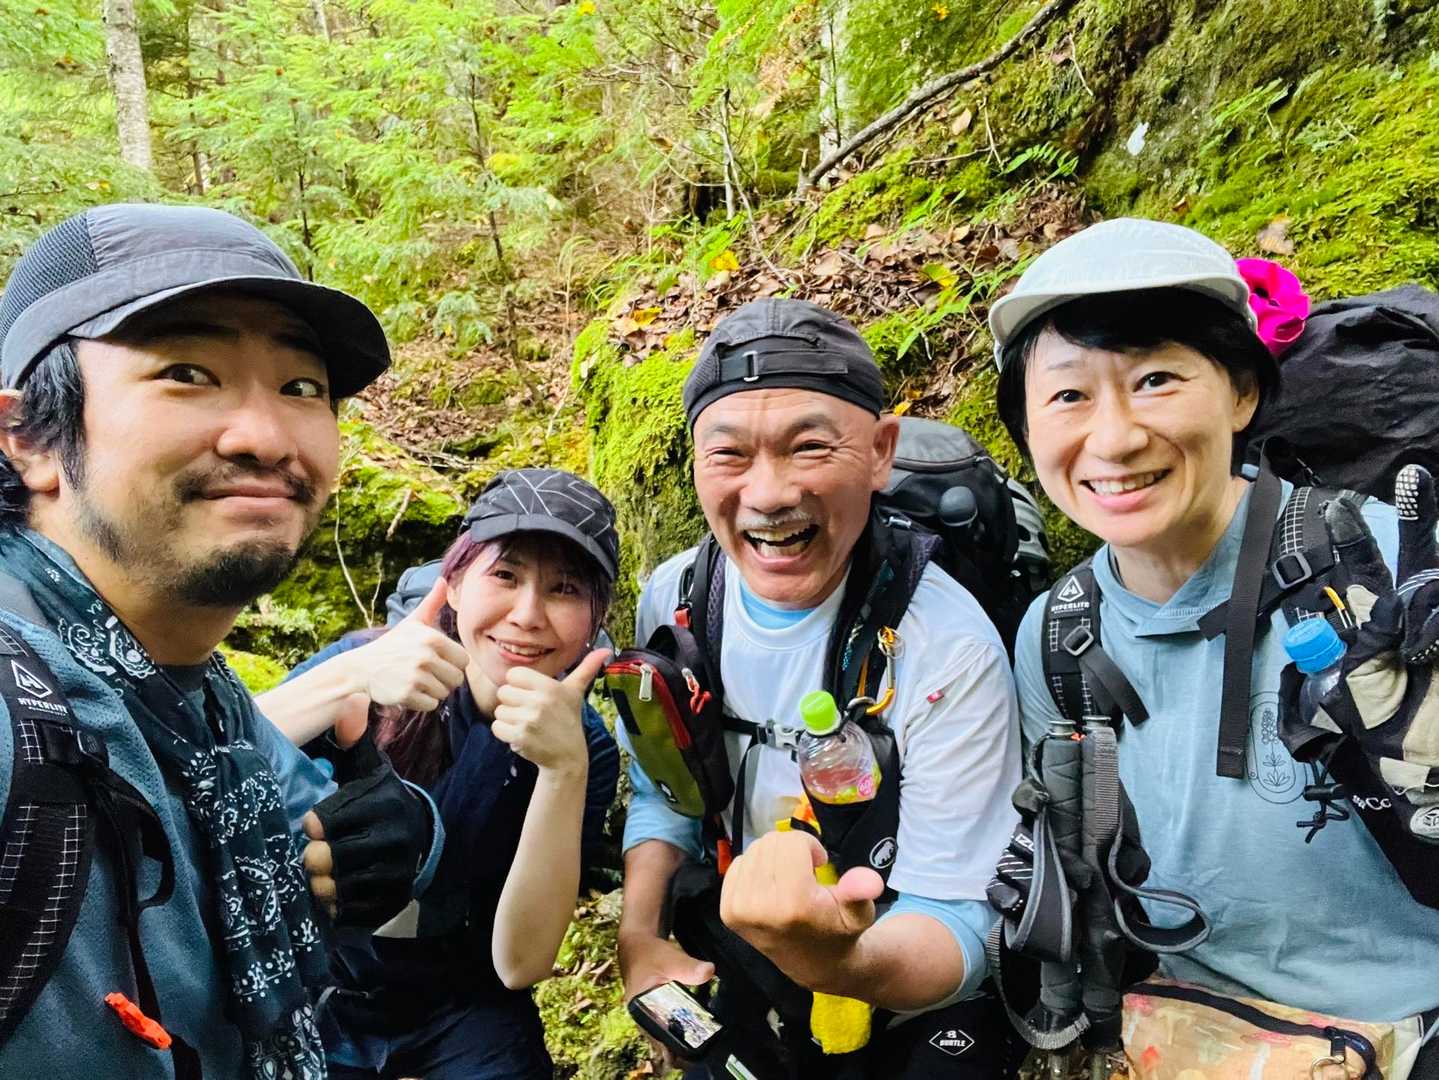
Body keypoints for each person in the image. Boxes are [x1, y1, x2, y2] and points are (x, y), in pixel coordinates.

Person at [0, 204, 442, 1078]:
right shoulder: (21, 715)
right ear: (27, 438)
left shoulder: (200, 704)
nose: (265, 437)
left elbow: (307, 806)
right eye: (188, 373)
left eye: (301, 387)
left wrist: (403, 835)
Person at [989, 218, 1439, 1073]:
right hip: (1194, 1036)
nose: (1114, 438)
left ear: (1240, 393)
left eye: (1155, 379)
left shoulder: (1387, 570)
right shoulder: (1056, 633)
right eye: (1068, 396)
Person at [616, 298, 1023, 1077]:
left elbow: (963, 922)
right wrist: (639, 935)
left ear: (879, 452)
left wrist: (837, 963)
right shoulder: (677, 598)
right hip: (740, 946)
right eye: (728, 454)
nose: (768, 494)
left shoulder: (947, 644)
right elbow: (663, 787)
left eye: (808, 447)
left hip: (901, 971)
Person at [256, 468, 622, 1079]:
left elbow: (520, 964)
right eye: (505, 576)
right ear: (453, 585)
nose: (527, 615)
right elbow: (201, 763)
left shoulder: (583, 745)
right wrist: (349, 677)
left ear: (594, 620)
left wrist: (563, 771)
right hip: (315, 976)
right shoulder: (370, 665)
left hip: (462, 996)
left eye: (564, 589)